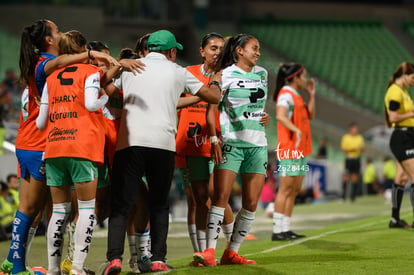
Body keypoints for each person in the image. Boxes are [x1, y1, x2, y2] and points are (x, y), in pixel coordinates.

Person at [1, 19, 119, 275]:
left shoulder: (47, 69)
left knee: (50, 209)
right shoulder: (45, 65)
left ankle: (24, 262)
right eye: (56, 30)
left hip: (44, 141)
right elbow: (63, 64)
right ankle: (17, 265)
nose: (61, 31)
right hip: (40, 142)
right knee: (32, 208)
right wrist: (90, 55)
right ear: (48, 40)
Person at [102, 29, 221, 274]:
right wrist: (217, 80)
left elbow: (107, 89)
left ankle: (114, 259)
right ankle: (157, 258)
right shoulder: (179, 71)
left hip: (130, 142)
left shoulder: (131, 67)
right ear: (171, 51)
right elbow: (212, 97)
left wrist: (119, 69)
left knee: (122, 204)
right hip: (163, 144)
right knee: (158, 204)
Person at [193, 33, 268, 266]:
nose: (258, 52)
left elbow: (258, 106)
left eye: (258, 49)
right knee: (219, 198)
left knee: (251, 203)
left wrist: (264, 116)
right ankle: (209, 251)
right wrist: (215, 140)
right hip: (232, 144)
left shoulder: (263, 74)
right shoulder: (223, 75)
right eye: (254, 48)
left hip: (258, 144)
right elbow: (210, 111)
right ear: (240, 51)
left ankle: (231, 252)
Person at [175, 33, 237, 262]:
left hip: (219, 143)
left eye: (221, 48)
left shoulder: (229, 75)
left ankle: (232, 248)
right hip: (191, 144)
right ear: (202, 51)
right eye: (212, 47)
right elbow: (174, 101)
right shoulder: (187, 73)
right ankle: (202, 252)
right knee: (200, 199)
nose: (217, 52)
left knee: (216, 193)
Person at [270, 63, 315, 241]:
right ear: (295, 78)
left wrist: (311, 95)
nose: (305, 79)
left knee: (295, 189)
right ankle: (277, 230)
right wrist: (295, 131)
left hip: (300, 150)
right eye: (303, 76)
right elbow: (280, 115)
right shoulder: (286, 95)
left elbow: (310, 115)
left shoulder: (296, 96)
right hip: (289, 149)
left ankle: (286, 229)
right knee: (285, 189)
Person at [384, 61, 414, 228]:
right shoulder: (395, 92)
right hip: (403, 137)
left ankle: (395, 219)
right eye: (412, 77)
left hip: (407, 136)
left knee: (402, 178)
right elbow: (393, 117)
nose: (413, 81)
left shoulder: (403, 91)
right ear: (404, 75)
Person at [340, 122, 365, 202]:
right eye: (354, 129)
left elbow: (362, 149)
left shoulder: (360, 137)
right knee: (346, 177)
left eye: (356, 129)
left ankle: (353, 197)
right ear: (350, 129)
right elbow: (344, 150)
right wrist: (354, 149)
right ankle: (343, 197)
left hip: (357, 159)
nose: (356, 130)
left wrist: (354, 149)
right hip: (349, 159)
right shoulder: (345, 137)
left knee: (355, 178)